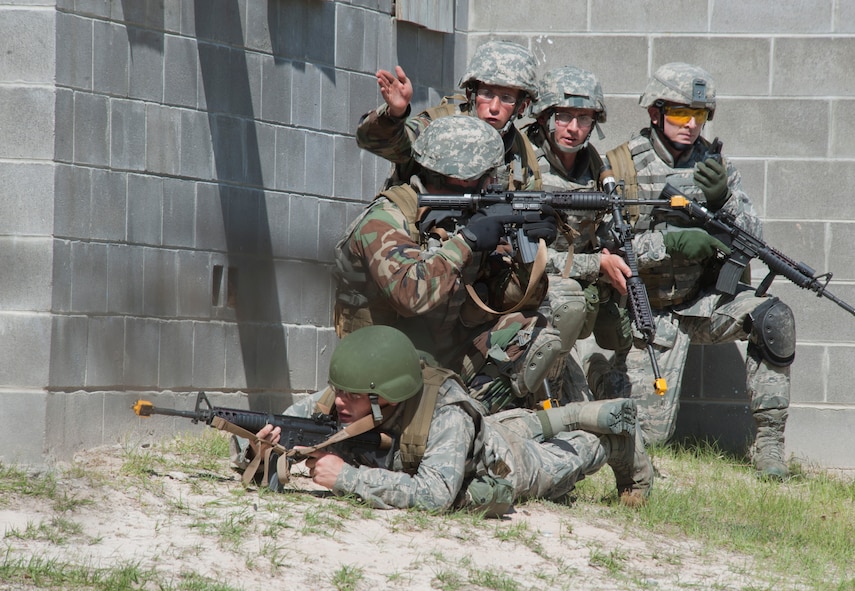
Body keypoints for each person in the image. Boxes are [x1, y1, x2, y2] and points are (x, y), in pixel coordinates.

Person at [602, 62, 794, 479]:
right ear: (654, 113)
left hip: (701, 302)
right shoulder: (620, 167)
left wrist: (723, 198)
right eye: (680, 113)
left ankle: (770, 448)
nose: (691, 124)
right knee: (647, 439)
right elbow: (602, 247)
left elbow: (753, 237)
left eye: (700, 115)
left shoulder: (715, 165)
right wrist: (666, 243)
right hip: (644, 311)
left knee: (773, 318)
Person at [242, 325, 653, 512]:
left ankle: (614, 443)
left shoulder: (446, 414)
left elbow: (435, 494)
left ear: (387, 395)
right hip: (479, 433)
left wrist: (346, 478)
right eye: (340, 391)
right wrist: (258, 445)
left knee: (558, 460)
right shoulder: (346, 394)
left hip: (496, 463)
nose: (340, 403)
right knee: (513, 425)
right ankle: (570, 414)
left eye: (353, 395)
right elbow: (288, 421)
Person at [335, 114, 568, 415]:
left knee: (532, 330)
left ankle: (471, 421)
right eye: (485, 176)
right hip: (380, 365)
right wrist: (468, 241)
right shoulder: (386, 219)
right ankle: (443, 423)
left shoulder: (466, 215)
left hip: (442, 352)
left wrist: (528, 254)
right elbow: (411, 297)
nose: (491, 183)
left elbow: (511, 301)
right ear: (458, 177)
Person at [523, 66, 634, 401]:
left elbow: (607, 233)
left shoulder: (599, 170)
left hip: (577, 306)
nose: (573, 128)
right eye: (563, 116)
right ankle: (549, 399)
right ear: (543, 116)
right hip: (530, 296)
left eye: (583, 118)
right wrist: (595, 265)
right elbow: (523, 255)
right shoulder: (523, 164)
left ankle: (593, 376)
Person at [355, 39, 543, 190]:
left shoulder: (520, 150)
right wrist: (395, 114)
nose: (494, 107)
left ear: (522, 106)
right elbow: (374, 142)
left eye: (506, 97)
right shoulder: (439, 126)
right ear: (471, 94)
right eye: (487, 94)